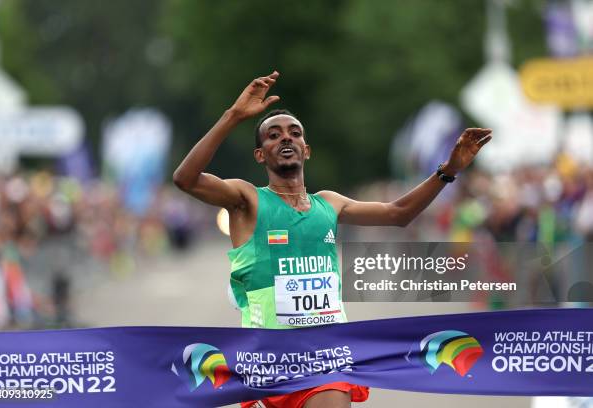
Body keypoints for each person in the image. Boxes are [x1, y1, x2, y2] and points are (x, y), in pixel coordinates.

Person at [173, 71, 492, 408]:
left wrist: (448, 170)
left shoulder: (330, 203)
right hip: (265, 360)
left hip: (324, 353)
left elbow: (399, 212)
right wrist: (234, 115)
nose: (286, 138)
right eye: (273, 135)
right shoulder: (246, 199)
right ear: (260, 155)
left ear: (305, 150)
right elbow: (186, 179)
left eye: (294, 133)